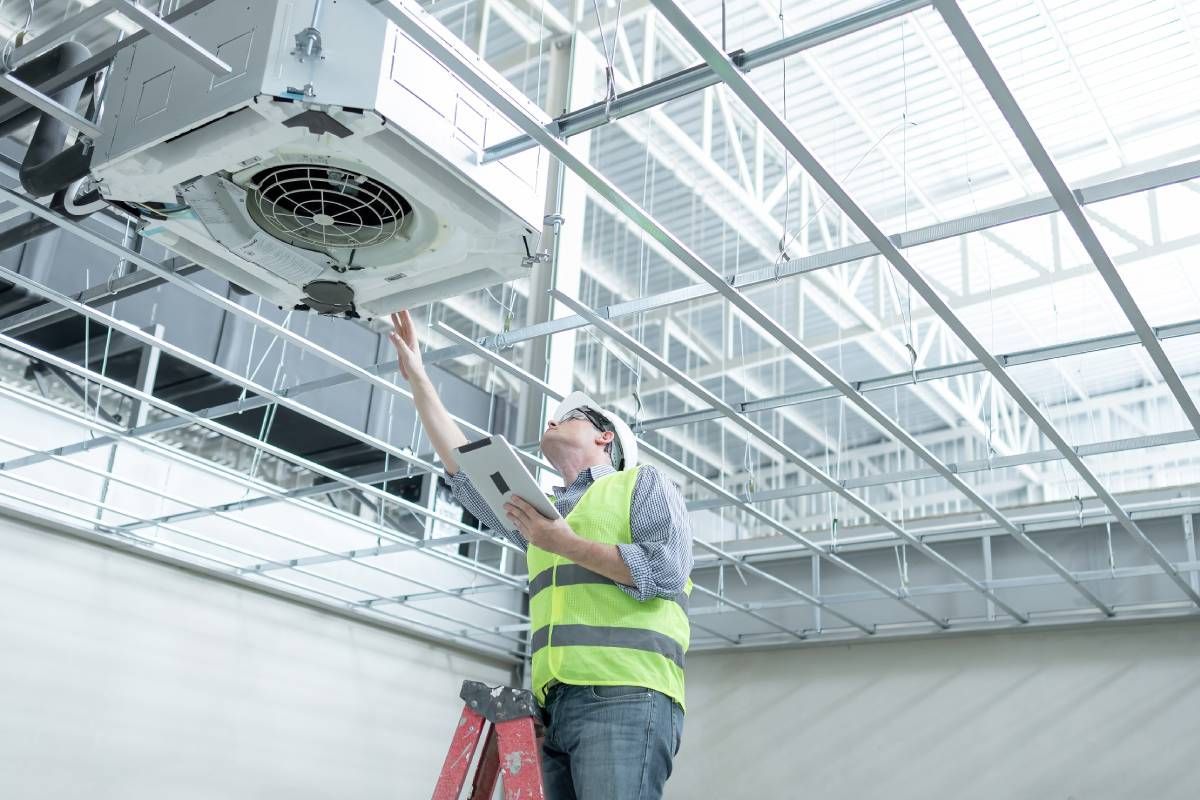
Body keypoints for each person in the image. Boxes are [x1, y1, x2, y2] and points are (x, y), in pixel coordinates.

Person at [387, 310, 693, 800]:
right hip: (555, 708)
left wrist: (563, 544)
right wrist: (420, 378)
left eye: (567, 416)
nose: (551, 420)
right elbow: (463, 467)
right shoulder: (540, 514)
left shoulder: (641, 484)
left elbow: (666, 569)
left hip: (626, 696)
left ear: (604, 435)